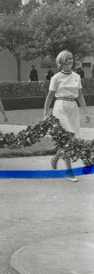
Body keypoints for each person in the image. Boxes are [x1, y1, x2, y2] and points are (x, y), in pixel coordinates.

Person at [43, 50, 90, 182]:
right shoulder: (56, 77)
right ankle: (69, 171)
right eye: (67, 59)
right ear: (61, 61)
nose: (70, 60)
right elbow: (50, 96)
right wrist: (45, 112)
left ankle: (55, 158)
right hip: (60, 107)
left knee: (70, 139)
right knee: (66, 139)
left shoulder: (76, 76)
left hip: (72, 107)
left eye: (71, 58)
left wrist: (85, 112)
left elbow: (80, 95)